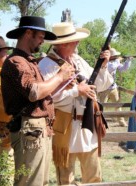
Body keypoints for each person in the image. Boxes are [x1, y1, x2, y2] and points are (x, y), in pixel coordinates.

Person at [0, 16, 75, 186]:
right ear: (28, 33)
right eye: (40, 37)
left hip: (37, 129)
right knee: (31, 182)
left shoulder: (28, 62)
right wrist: (59, 76)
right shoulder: (16, 62)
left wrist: (62, 82)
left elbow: (40, 93)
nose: (42, 42)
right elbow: (34, 93)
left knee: (40, 181)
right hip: (30, 129)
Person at [38, 22, 113, 184]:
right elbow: (47, 98)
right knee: (66, 179)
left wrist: (103, 66)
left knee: (94, 176)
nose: (77, 43)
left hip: (87, 125)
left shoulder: (77, 60)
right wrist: (77, 91)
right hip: (64, 126)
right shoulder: (45, 65)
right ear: (63, 43)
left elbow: (100, 85)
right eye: (74, 40)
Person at [97, 48, 132, 127]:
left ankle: (121, 121)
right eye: (115, 56)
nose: (116, 57)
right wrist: (118, 60)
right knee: (102, 106)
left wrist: (128, 61)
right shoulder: (105, 63)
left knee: (118, 105)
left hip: (113, 87)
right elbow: (111, 68)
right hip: (104, 88)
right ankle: (99, 122)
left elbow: (123, 69)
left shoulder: (114, 62)